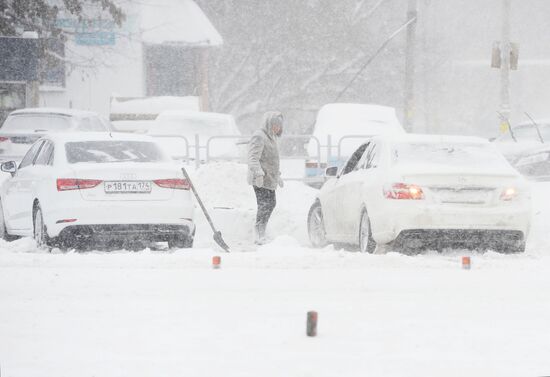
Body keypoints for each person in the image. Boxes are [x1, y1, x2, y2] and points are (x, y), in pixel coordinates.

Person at [247, 111, 284, 244]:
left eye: (279, 126)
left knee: (271, 204)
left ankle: (261, 230)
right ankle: (258, 233)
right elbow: (252, 158)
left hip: (269, 178)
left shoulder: (271, 138)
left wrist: (277, 175)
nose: (277, 128)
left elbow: (271, 160)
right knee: (264, 205)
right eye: (275, 125)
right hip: (260, 179)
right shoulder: (259, 136)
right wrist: (258, 173)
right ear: (269, 124)